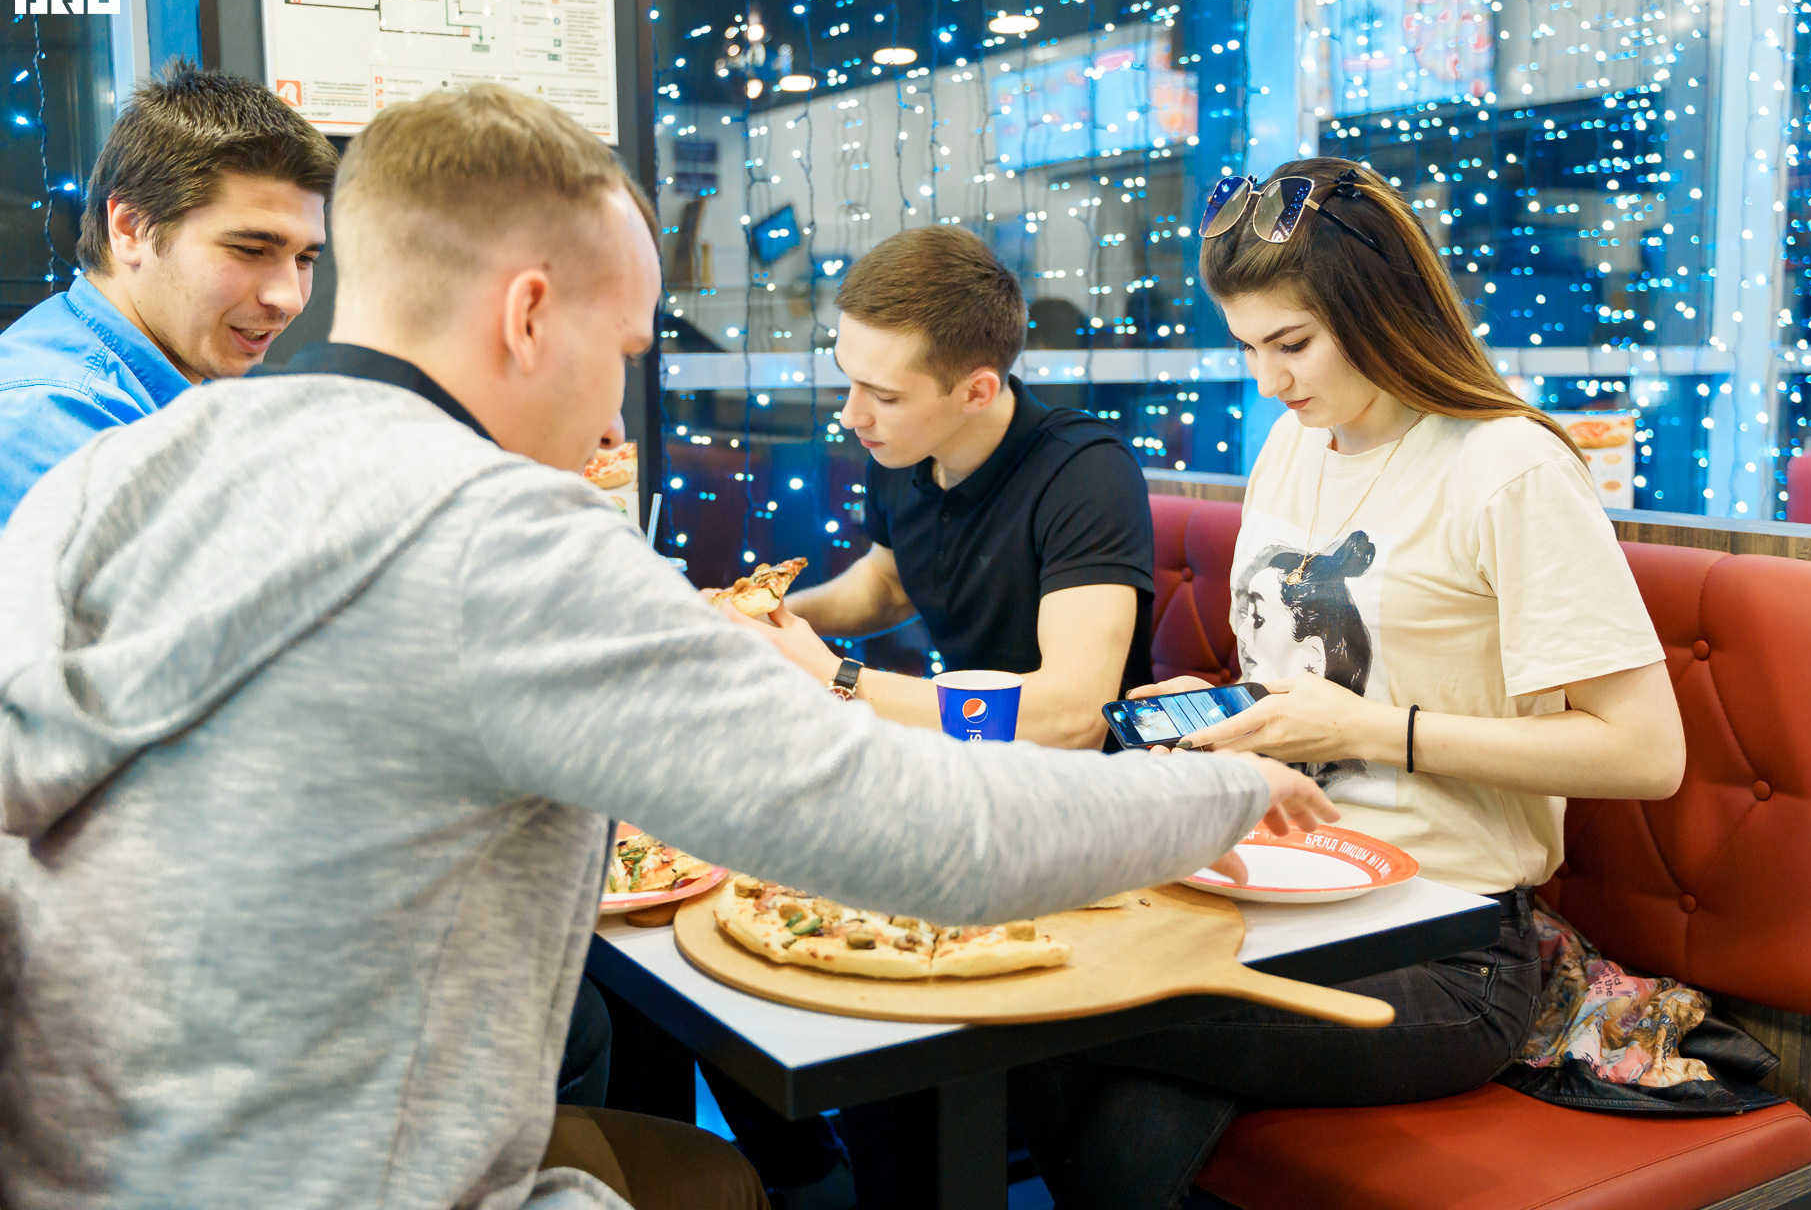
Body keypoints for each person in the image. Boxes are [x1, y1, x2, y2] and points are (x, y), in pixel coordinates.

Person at [0, 84, 1335, 1210]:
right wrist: (1219, 790)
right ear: (529, 314)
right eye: (625, 347)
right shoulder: (500, 536)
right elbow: (923, 833)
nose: (614, 409)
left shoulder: (113, 472)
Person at [1005, 157, 1687, 1210]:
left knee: (1072, 1011)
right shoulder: (1294, 444)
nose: (1268, 381)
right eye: (1247, 348)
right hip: (1267, 888)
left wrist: (1374, 730)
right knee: (1041, 982)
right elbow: (1303, 680)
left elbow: (1646, 751)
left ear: (1381, 307)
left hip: (1449, 947)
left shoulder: (1508, 467)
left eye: (1292, 344)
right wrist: (1228, 710)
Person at [722, 225, 1156, 750]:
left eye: (885, 396)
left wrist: (835, 676)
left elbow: (1075, 717)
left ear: (976, 392)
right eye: (848, 380)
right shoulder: (903, 446)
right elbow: (888, 584)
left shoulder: (1086, 473)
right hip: (959, 759)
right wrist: (762, 621)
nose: (850, 415)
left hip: (1078, 780)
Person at [0, 61, 335, 525]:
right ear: (130, 228)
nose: (290, 299)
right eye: (251, 250)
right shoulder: (51, 419)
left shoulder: (190, 380)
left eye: (305, 259)